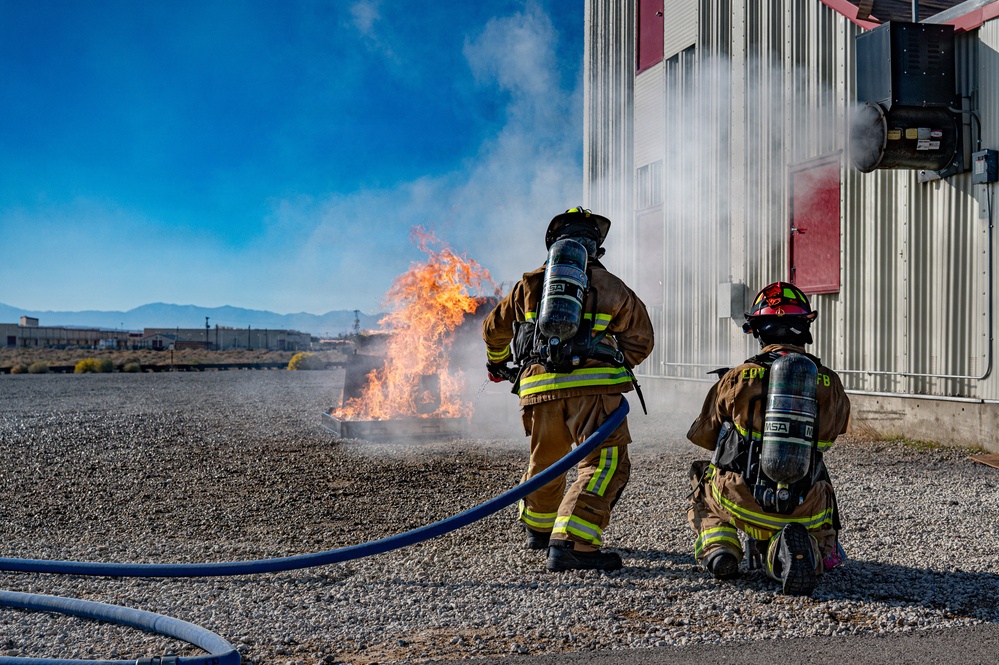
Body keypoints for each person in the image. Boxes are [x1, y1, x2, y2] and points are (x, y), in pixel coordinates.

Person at [482, 207, 655, 572]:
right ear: (595, 248)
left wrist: (498, 362)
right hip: (594, 391)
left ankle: (540, 531)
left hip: (537, 389)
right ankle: (572, 543)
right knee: (604, 462)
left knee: (546, 462)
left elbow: (493, 330)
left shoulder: (529, 285)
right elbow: (641, 340)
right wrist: (611, 361)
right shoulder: (612, 287)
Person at [685, 281, 850, 596]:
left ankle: (721, 547)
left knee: (701, 480)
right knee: (817, 532)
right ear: (805, 326)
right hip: (807, 506)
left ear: (758, 330)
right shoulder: (830, 382)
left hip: (741, 501)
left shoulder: (737, 376)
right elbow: (835, 431)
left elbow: (705, 436)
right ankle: (796, 552)